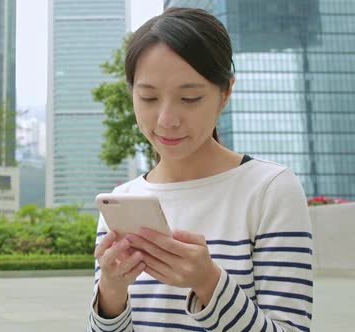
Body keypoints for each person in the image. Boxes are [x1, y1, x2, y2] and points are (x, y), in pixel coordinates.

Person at [88, 7, 313, 332]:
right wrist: (110, 293)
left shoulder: (269, 189)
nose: (167, 119)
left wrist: (209, 283)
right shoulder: (122, 200)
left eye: (190, 98)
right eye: (148, 98)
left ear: (226, 93)